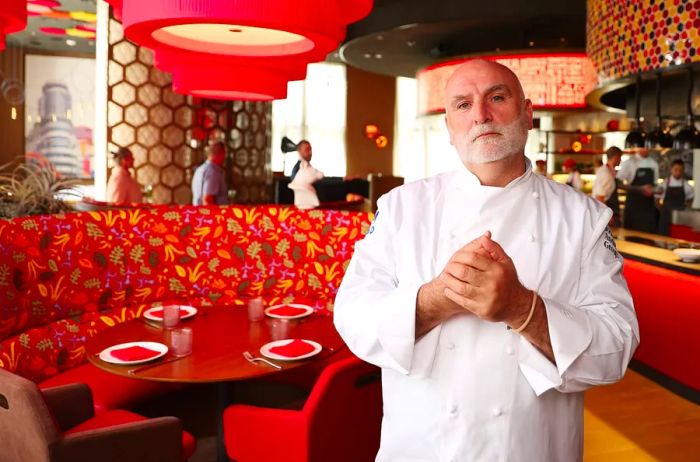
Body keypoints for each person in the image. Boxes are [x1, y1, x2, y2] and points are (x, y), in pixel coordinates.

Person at [334, 60, 639, 462]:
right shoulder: (401, 208)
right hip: (421, 447)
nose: (480, 114)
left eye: (497, 97)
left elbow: (617, 344)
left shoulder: (583, 218)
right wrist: (434, 300)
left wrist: (523, 309)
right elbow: (352, 316)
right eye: (463, 104)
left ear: (528, 114)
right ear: (449, 128)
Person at [617, 146, 659, 233]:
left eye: (647, 147)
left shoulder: (654, 163)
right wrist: (638, 189)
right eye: (643, 147)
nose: (646, 150)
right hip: (633, 205)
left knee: (649, 236)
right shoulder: (629, 162)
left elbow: (655, 185)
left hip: (648, 206)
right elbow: (618, 184)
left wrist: (654, 190)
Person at [656, 159, 694, 235]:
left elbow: (690, 200)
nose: (678, 172)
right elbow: (657, 199)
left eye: (680, 170)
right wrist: (662, 211)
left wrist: (685, 211)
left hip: (680, 219)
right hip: (665, 218)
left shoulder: (687, 186)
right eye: (675, 170)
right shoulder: (663, 184)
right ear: (671, 169)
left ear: (683, 171)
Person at [287, 140, 324, 209]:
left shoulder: (309, 167)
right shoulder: (299, 169)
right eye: (307, 149)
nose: (310, 152)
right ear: (299, 151)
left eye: (310, 149)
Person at [592, 146, 623, 227]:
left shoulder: (609, 171)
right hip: (603, 212)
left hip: (609, 209)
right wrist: (608, 216)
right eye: (620, 158)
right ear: (616, 157)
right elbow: (600, 197)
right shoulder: (605, 173)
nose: (621, 160)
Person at [191, 141, 228, 205]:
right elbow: (207, 200)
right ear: (221, 153)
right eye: (224, 153)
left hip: (198, 212)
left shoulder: (200, 169)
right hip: (211, 213)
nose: (225, 157)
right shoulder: (213, 172)